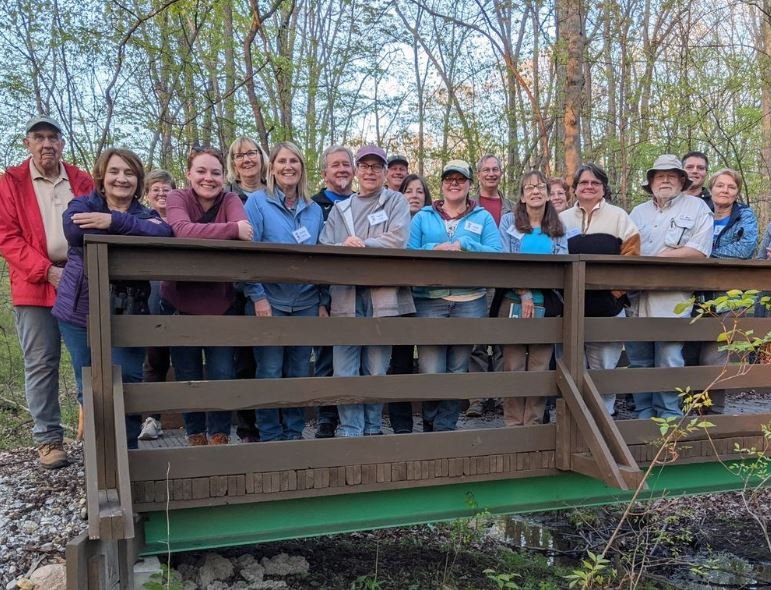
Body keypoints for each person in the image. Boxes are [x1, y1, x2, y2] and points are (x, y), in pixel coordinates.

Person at [53, 149, 172, 449]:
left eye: (129, 173)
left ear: (138, 180)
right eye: (115, 172)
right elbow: (73, 229)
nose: (122, 178)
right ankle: (99, 456)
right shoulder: (83, 203)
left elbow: (163, 232)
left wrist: (112, 222)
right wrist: (121, 224)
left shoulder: (146, 214)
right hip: (79, 311)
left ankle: (127, 452)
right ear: (102, 178)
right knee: (90, 386)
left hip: (128, 312)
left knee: (127, 382)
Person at [0, 115, 93, 469]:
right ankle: (48, 440)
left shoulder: (81, 180)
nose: (46, 144)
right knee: (40, 362)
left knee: (88, 362)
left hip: (81, 281)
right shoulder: (11, 183)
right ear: (28, 143)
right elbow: (6, 237)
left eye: (52, 137)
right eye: (38, 137)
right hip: (34, 285)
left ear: (62, 143)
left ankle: (97, 436)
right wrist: (46, 271)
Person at [161, 147, 254, 445]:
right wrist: (230, 229)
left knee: (223, 372)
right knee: (188, 373)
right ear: (189, 174)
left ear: (223, 176)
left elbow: (247, 231)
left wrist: (226, 230)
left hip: (221, 301)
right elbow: (182, 230)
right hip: (181, 300)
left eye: (215, 172)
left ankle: (219, 433)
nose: (208, 178)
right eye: (201, 171)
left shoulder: (231, 198)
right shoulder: (178, 198)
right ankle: (194, 432)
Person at [319, 145, 413, 437]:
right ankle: (350, 432)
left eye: (376, 167)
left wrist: (362, 244)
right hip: (345, 297)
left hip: (382, 298)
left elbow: (398, 238)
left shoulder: (395, 201)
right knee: (345, 370)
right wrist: (344, 247)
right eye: (365, 166)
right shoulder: (340, 208)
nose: (370, 172)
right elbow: (324, 245)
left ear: (385, 173)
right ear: (357, 171)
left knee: (375, 370)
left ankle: (372, 431)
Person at [408, 160, 502, 432]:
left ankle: (445, 429)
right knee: (431, 370)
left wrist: (465, 245)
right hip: (429, 301)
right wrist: (435, 247)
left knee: (457, 370)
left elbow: (496, 253)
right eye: (449, 178)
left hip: (470, 302)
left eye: (460, 179)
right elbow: (408, 252)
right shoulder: (423, 216)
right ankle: (430, 426)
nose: (454, 183)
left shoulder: (482, 217)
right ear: (441, 184)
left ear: (469, 185)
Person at [243, 142, 324, 441]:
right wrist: (258, 295)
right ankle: (270, 436)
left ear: (302, 167)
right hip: (270, 301)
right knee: (270, 371)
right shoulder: (256, 202)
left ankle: (294, 433)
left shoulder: (313, 209)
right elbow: (247, 254)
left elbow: (321, 258)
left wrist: (322, 300)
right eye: (282, 161)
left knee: (299, 373)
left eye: (294, 161)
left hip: (305, 301)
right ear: (272, 167)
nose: (288, 166)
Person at [627, 154, 713, 419]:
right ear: (651, 181)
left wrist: (657, 259)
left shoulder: (697, 208)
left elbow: (699, 251)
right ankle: (643, 418)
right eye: (659, 175)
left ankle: (669, 421)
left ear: (681, 180)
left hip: (673, 299)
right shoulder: (637, 212)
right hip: (636, 299)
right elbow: (625, 252)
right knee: (639, 361)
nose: (665, 180)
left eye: (671, 175)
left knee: (669, 360)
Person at [559, 163, 640, 415]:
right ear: (575, 188)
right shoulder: (561, 219)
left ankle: (604, 419)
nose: (589, 187)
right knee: (571, 370)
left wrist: (615, 294)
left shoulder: (619, 217)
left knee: (603, 372)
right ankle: (575, 424)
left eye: (595, 183)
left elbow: (632, 257)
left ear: (603, 188)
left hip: (607, 310)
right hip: (569, 309)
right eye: (583, 182)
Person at [497, 171, 567, 425]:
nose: (535, 191)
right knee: (513, 366)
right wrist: (524, 292)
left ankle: (534, 424)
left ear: (548, 195)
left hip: (546, 304)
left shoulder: (558, 227)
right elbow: (503, 261)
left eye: (540, 187)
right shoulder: (508, 222)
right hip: (513, 302)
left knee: (539, 368)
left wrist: (535, 292)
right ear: (522, 196)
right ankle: (513, 425)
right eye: (529, 188)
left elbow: (562, 266)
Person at [686, 169, 757, 413]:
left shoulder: (744, 215)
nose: (725, 190)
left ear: (736, 192)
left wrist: (703, 255)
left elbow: (746, 248)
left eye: (731, 187)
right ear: (712, 188)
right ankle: (688, 411)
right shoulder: (699, 211)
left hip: (729, 296)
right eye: (720, 185)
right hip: (693, 293)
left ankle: (714, 413)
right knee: (688, 354)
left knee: (714, 357)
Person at [225, 137, 269, 443]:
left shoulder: (275, 191)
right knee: (243, 360)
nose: (247, 159)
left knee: (270, 360)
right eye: (239, 155)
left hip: (275, 289)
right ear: (233, 162)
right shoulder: (227, 195)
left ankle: (272, 423)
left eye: (251, 152)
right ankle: (247, 427)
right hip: (236, 288)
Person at [311, 145, 355, 438]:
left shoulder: (363, 202)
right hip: (325, 293)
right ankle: (327, 418)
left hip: (357, 295)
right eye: (335, 165)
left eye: (346, 164)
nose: (341, 169)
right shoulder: (314, 205)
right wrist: (319, 298)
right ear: (324, 171)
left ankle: (357, 420)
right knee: (326, 359)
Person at [466, 154, 513, 417]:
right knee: (477, 342)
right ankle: (477, 398)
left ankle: (504, 396)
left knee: (504, 342)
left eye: (496, 169)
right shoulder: (469, 206)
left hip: (505, 281)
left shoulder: (512, 208)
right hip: (477, 280)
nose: (491, 174)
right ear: (479, 175)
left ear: (501, 173)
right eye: (486, 170)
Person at [388, 174, 433, 433]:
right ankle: (401, 425)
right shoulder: (394, 223)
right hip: (400, 302)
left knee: (431, 363)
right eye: (408, 191)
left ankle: (432, 423)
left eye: (419, 191)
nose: (414, 195)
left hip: (429, 300)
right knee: (400, 362)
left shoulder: (434, 222)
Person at [139, 169, 176, 441]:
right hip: (152, 294)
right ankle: (152, 419)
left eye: (167, 189)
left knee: (189, 361)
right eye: (156, 190)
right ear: (147, 194)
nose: (162, 194)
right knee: (155, 358)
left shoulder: (183, 218)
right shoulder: (139, 220)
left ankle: (199, 420)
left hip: (184, 293)